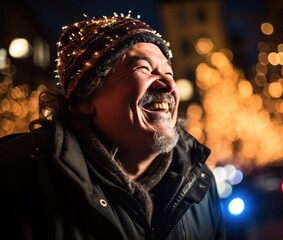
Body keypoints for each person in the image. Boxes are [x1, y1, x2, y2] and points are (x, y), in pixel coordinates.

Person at [0, 13, 226, 239]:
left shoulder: (201, 186)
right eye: (144, 68)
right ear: (85, 100)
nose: (168, 84)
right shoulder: (17, 173)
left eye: (169, 72)